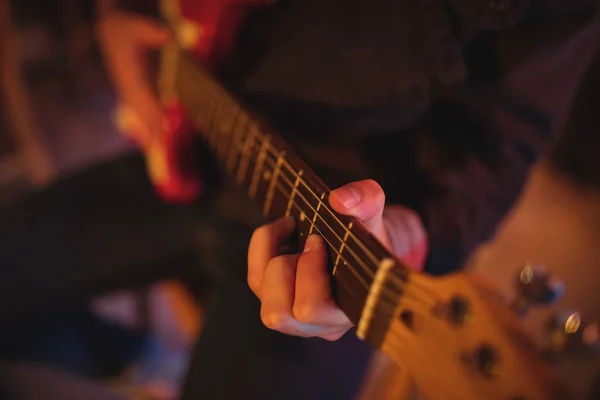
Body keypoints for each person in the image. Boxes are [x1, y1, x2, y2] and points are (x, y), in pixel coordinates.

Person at [1, 0, 598, 399]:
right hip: (195, 143)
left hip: (325, 254)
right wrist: (117, 14)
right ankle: (111, 348)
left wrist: (417, 230)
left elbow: (499, 145)